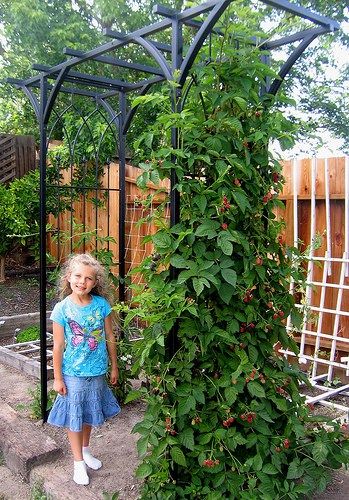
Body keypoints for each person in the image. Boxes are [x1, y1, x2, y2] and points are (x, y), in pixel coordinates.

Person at [47, 253, 120, 486]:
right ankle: (78, 462)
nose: (82, 282)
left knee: (88, 413)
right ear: (68, 277)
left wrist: (114, 366)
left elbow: (109, 336)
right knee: (75, 417)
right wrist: (57, 378)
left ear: (95, 282)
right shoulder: (62, 309)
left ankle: (86, 451)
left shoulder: (101, 306)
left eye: (88, 278)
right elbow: (58, 346)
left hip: (97, 370)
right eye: (78, 276)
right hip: (73, 373)